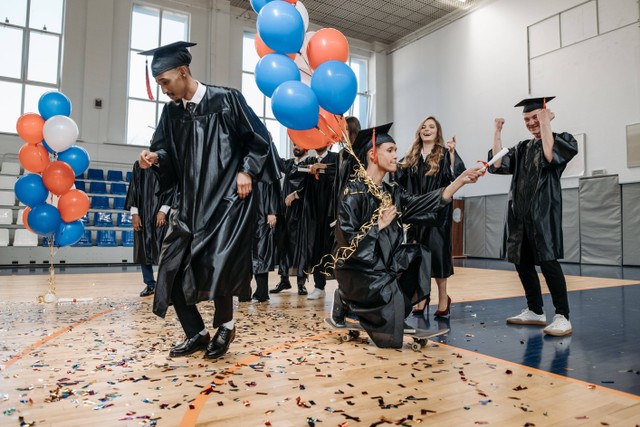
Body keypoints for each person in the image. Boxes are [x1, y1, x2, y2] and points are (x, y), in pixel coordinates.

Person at [137, 41, 279, 359]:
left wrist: (247, 171)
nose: (163, 90)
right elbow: (165, 150)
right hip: (188, 205)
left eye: (165, 82)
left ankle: (226, 327)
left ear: (183, 71)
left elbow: (259, 140)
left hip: (227, 202)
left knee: (219, 266)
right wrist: (155, 158)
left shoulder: (227, 99)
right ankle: (197, 333)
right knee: (171, 268)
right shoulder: (171, 113)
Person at [333, 123, 481, 348]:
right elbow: (346, 246)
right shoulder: (353, 193)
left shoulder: (392, 192)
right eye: (390, 150)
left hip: (384, 268)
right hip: (359, 271)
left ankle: (384, 307)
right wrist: (377, 227)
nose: (395, 156)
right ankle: (345, 297)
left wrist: (460, 181)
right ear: (373, 154)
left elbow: (423, 203)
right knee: (390, 331)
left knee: (419, 255)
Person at [488, 96, 577, 337]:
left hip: (544, 212)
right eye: (527, 119)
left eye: (535, 117)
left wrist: (546, 123)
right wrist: (497, 132)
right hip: (519, 215)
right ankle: (535, 311)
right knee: (522, 262)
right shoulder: (522, 148)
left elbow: (550, 156)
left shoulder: (564, 140)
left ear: (546, 115)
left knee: (548, 262)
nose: (531, 123)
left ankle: (562, 316)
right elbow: (496, 164)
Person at [395, 116, 466, 317]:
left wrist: (452, 154)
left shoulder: (444, 154)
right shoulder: (410, 157)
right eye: (424, 127)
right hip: (417, 213)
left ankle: (443, 298)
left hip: (437, 214)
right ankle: (421, 297)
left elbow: (456, 176)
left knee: (438, 256)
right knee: (418, 257)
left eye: (431, 127)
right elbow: (398, 180)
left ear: (437, 132)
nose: (427, 129)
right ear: (419, 132)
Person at [124, 160, 174, 297]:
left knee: (165, 252)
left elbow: (172, 189)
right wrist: (134, 213)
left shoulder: (168, 164)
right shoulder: (139, 164)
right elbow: (134, 187)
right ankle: (150, 284)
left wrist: (163, 211)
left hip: (162, 215)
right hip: (143, 214)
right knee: (143, 251)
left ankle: (167, 287)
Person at [271, 145, 310, 294]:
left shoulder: (310, 163)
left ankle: (301, 283)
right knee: (283, 245)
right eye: (293, 145)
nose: (295, 147)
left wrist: (296, 194)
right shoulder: (289, 164)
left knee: (300, 246)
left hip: (301, 212)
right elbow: (277, 160)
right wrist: (272, 142)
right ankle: (284, 281)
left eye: (298, 144)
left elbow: (311, 186)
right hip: (285, 212)